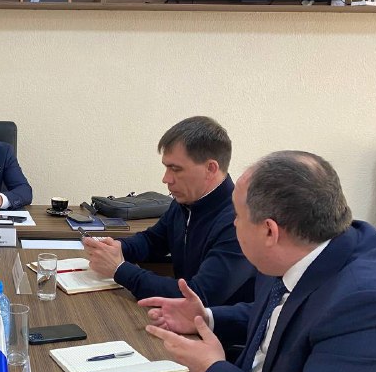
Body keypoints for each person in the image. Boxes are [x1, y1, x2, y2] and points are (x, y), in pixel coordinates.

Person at [139, 151, 376, 372]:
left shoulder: (366, 302)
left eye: (237, 216)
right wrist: (206, 317)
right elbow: (282, 314)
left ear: (270, 231)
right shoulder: (299, 251)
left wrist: (211, 369)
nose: (233, 224)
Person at [83, 116, 255, 306]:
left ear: (210, 168)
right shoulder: (186, 202)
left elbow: (197, 297)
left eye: (176, 169)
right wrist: (117, 248)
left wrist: (119, 270)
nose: (166, 179)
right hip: (180, 318)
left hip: (216, 323)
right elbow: (152, 241)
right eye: (167, 168)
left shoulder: (239, 222)